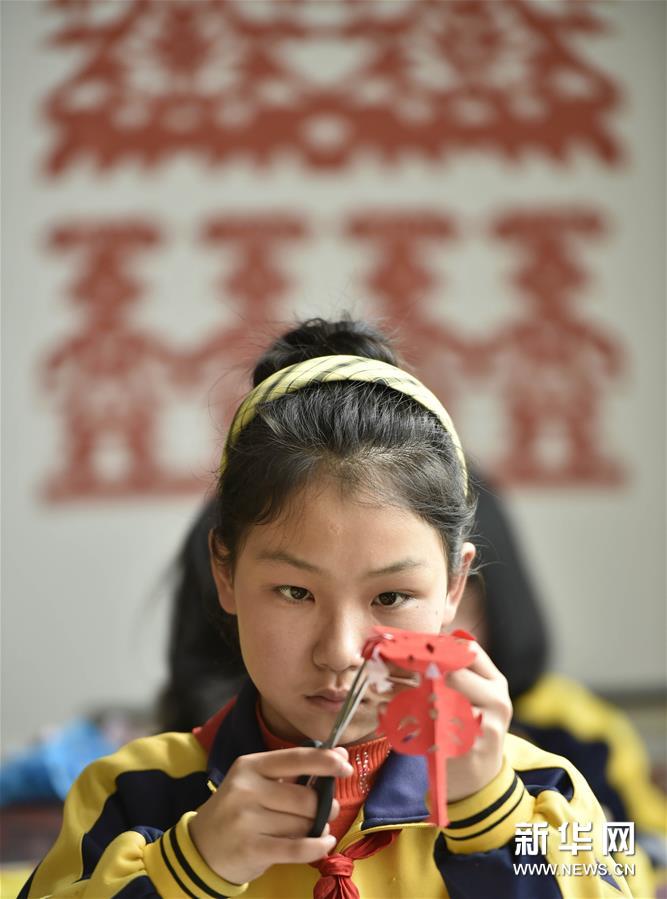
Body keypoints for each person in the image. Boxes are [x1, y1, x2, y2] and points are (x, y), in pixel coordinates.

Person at [20, 317, 635, 898]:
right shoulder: (133, 794)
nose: (340, 652)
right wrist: (188, 866)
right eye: (295, 592)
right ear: (225, 572)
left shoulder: (548, 796)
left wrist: (489, 820)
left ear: (454, 587)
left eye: (390, 597)